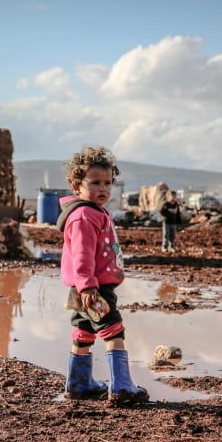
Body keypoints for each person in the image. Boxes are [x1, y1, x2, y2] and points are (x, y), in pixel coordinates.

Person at [55, 145, 149, 406]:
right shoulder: (84, 216)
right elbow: (81, 254)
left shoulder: (95, 212)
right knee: (113, 331)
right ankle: (122, 387)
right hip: (94, 288)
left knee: (83, 330)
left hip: (86, 287)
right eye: (95, 183)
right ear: (76, 185)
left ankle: (78, 384)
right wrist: (87, 286)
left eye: (107, 183)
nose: (103, 189)